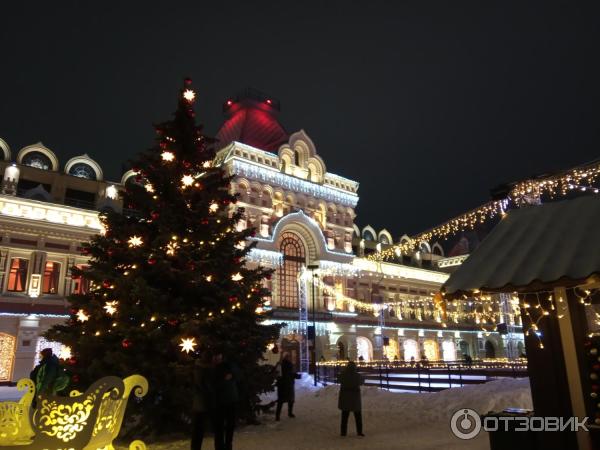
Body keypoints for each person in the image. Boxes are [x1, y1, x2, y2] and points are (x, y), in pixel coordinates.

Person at [213, 353, 239, 450]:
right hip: (221, 401)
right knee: (221, 426)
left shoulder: (229, 366)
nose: (217, 358)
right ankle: (222, 446)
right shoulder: (215, 369)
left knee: (228, 425)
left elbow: (237, 375)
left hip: (229, 400)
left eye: (219, 357)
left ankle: (227, 445)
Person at [191, 353, 216, 450]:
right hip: (202, 403)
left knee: (198, 429)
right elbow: (202, 385)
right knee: (198, 429)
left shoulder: (203, 369)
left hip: (202, 402)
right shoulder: (202, 370)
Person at [337, 361, 364, 437]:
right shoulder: (357, 376)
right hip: (355, 399)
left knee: (344, 417)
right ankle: (359, 432)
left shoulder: (343, 375)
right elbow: (362, 381)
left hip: (345, 398)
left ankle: (343, 432)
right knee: (358, 416)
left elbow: (338, 379)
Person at [275, 353, 296, 421]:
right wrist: (295, 376)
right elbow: (290, 374)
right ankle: (287, 414)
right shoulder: (283, 365)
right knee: (288, 400)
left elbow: (291, 373)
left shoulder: (282, 364)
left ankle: (279, 416)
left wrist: (295, 376)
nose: (289, 358)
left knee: (284, 400)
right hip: (285, 384)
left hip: (284, 385)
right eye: (288, 357)